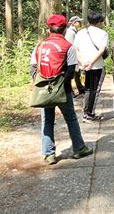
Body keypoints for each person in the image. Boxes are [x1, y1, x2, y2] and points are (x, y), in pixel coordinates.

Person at [30, 14, 93, 165]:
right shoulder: (67, 47)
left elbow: (33, 67)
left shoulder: (40, 46)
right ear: (64, 29)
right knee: (70, 118)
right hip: (62, 89)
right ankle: (79, 148)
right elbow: (71, 70)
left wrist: (41, 84)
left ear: (49, 29)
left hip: (44, 89)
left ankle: (49, 154)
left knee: (47, 120)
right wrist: (63, 88)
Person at [74, 12, 109, 122]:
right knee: (95, 90)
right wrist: (91, 63)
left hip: (83, 66)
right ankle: (90, 113)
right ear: (99, 22)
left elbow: (76, 49)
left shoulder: (80, 33)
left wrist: (83, 62)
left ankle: (86, 112)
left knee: (87, 89)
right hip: (97, 66)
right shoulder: (103, 33)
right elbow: (102, 50)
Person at [65, 16, 85, 97]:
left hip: (74, 56)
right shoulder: (71, 32)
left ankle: (80, 88)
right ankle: (70, 91)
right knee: (71, 74)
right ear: (74, 23)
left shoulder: (74, 31)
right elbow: (71, 46)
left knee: (77, 73)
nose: (80, 23)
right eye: (78, 22)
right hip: (71, 56)